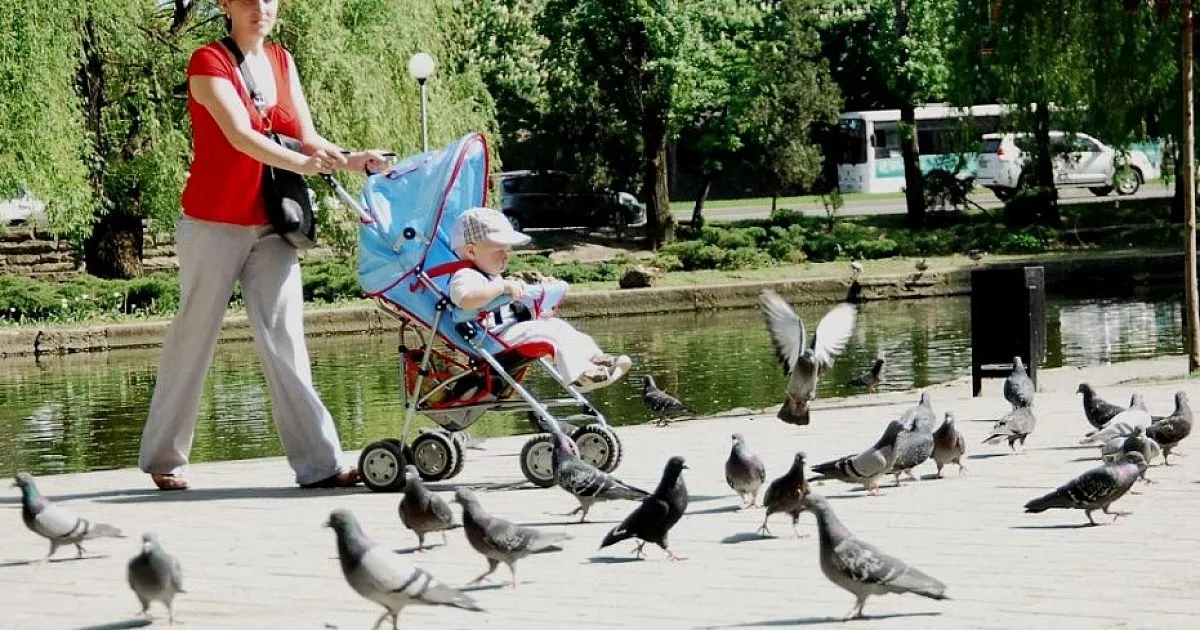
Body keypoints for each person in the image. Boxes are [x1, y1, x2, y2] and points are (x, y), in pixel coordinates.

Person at [138, 0, 388, 490]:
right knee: (194, 337)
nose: (261, 8)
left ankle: (320, 464)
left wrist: (351, 159)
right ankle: (164, 458)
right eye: (248, 0)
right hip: (212, 224)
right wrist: (302, 165)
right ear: (225, 5)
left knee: (286, 339)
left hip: (273, 224)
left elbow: (304, 136)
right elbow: (240, 136)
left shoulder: (282, 60)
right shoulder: (207, 61)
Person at [448, 207, 631, 390]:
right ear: (471, 251)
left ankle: (595, 359)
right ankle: (581, 376)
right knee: (546, 332)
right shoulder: (466, 275)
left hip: (508, 331)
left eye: (507, 251)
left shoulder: (489, 274)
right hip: (494, 338)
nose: (505, 257)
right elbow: (465, 299)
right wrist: (502, 287)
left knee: (558, 326)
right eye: (499, 250)